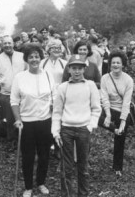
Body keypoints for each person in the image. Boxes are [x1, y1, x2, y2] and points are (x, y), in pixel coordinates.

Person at [52, 54, 101, 197]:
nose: (77, 71)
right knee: (66, 167)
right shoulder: (63, 87)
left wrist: (91, 125)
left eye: (80, 68)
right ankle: (66, 194)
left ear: (84, 69)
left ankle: (83, 194)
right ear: (69, 69)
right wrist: (56, 132)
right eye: (74, 68)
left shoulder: (90, 85)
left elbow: (96, 108)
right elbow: (57, 112)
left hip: (83, 129)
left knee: (83, 166)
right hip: (66, 130)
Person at [11, 43, 55, 197]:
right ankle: (28, 186)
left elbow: (54, 97)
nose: (34, 59)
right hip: (27, 123)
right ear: (26, 59)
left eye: (37, 56)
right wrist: (18, 119)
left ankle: (41, 182)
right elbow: (14, 101)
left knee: (44, 154)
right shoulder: (19, 77)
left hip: (45, 121)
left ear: (40, 57)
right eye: (31, 57)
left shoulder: (48, 75)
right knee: (28, 156)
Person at [100, 50, 134, 176]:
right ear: (110, 64)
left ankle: (117, 167)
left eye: (118, 63)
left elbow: (126, 102)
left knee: (121, 136)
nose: (115, 65)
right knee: (96, 114)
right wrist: (108, 115)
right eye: (113, 62)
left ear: (123, 64)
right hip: (109, 108)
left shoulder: (128, 80)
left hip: (122, 111)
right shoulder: (105, 78)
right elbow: (104, 98)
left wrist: (123, 122)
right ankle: (114, 129)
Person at [0, 35, 27, 141]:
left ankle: (24, 137)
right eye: (5, 43)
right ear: (2, 45)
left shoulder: (22, 56)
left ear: (13, 44)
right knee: (9, 118)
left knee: (24, 115)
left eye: (9, 43)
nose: (7, 45)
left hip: (22, 92)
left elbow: (28, 71)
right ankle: (11, 139)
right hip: (6, 93)